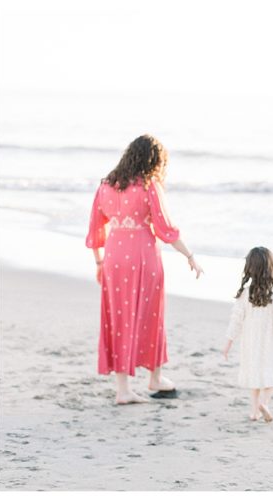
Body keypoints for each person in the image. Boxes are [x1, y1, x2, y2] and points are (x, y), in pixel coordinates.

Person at [86, 134, 203, 405]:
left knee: (118, 318)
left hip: (114, 257)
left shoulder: (106, 185)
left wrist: (99, 262)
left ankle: (123, 389)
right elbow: (165, 229)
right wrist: (190, 255)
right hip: (142, 256)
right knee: (150, 315)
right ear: (153, 160)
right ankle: (154, 377)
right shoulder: (149, 186)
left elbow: (95, 227)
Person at [223, 247, 273, 422]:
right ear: (270, 268)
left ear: (250, 268)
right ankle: (264, 402)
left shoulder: (245, 293)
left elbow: (236, 319)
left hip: (250, 344)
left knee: (254, 377)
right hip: (270, 343)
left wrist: (228, 342)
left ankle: (254, 412)